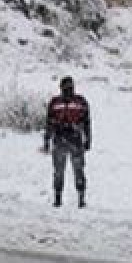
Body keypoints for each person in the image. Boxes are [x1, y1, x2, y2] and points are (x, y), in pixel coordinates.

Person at [42, 76, 91, 208]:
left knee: (77, 170)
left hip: (74, 140)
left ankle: (80, 198)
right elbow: (49, 123)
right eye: (66, 87)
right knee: (60, 171)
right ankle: (59, 198)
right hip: (62, 140)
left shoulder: (80, 101)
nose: (68, 90)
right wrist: (47, 139)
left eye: (70, 87)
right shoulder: (56, 102)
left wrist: (88, 139)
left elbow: (86, 122)